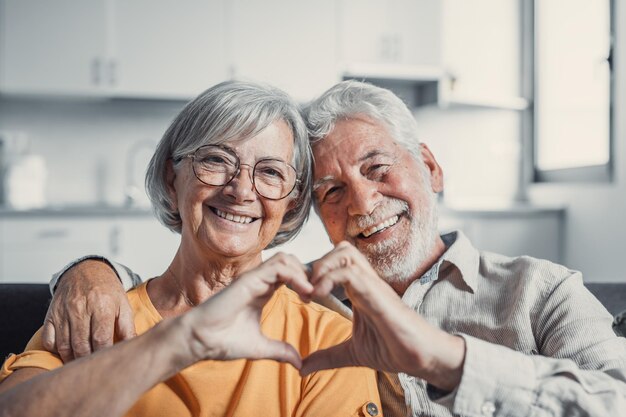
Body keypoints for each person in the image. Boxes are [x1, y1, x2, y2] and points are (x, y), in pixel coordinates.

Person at [31, 80, 626, 416]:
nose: (363, 204)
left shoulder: (540, 292)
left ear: (430, 168)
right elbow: (200, 285)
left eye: (377, 168)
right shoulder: (312, 300)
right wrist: (88, 271)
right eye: (333, 189)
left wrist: (445, 359)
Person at [0, 81, 382, 417]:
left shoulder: (331, 338)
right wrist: (175, 342)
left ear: (293, 203)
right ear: (172, 178)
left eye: (270, 172)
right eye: (216, 159)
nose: (241, 190)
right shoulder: (98, 314)